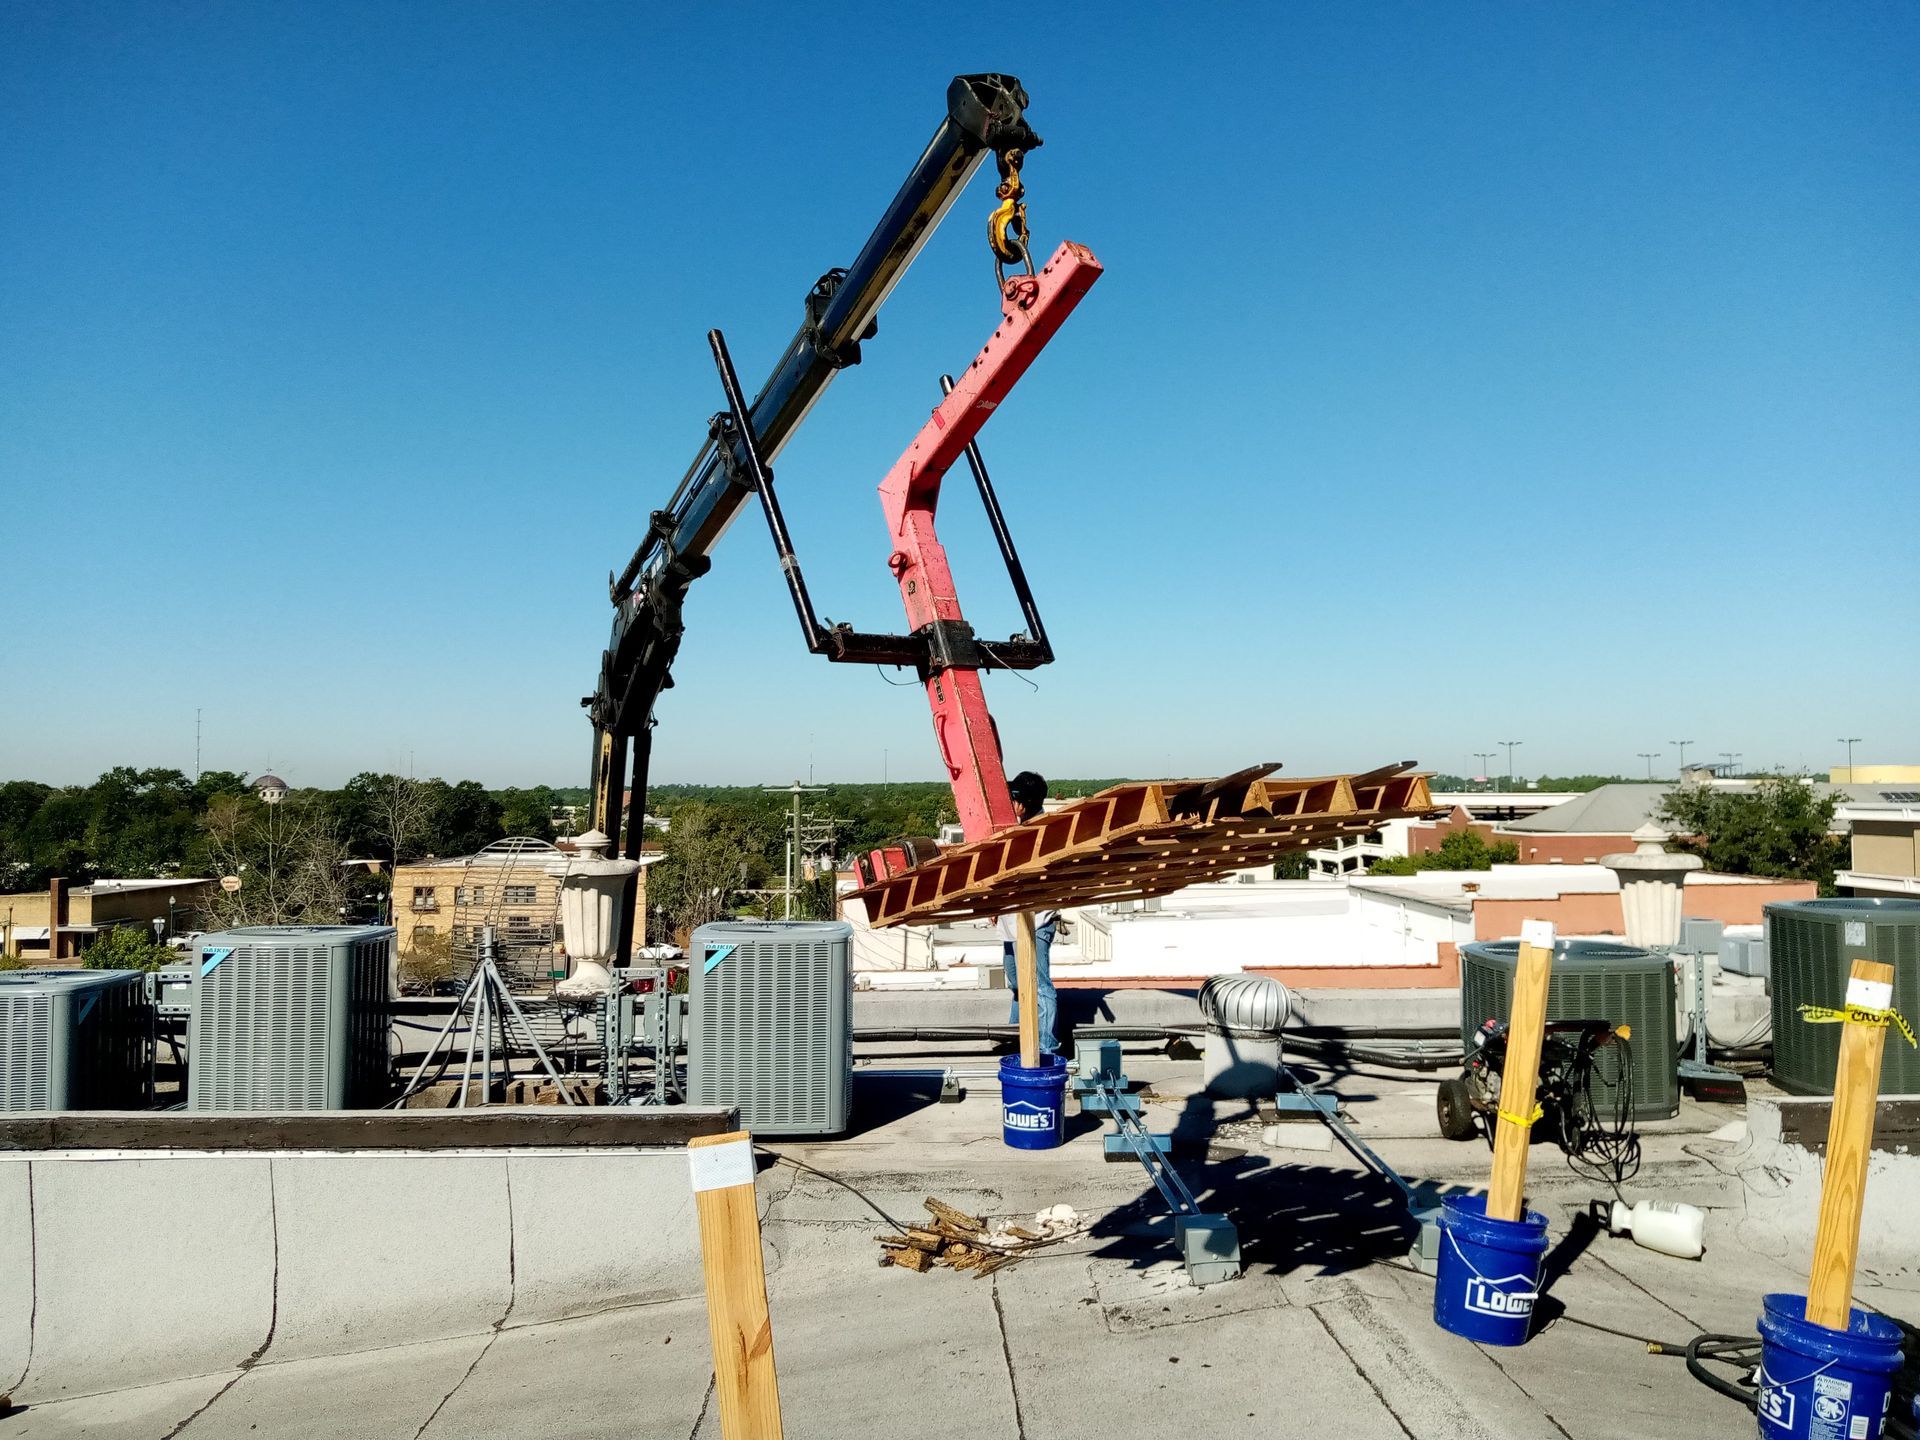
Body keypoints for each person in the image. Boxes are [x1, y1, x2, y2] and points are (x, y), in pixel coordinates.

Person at [998, 770, 1059, 1058]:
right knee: (1017, 984)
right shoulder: (1015, 829)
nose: (1011, 803)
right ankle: (1018, 1040)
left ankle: (1044, 1048)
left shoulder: (1046, 833)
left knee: (1039, 986)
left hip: (1037, 921)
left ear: (1027, 802)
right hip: (1011, 921)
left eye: (1015, 798)